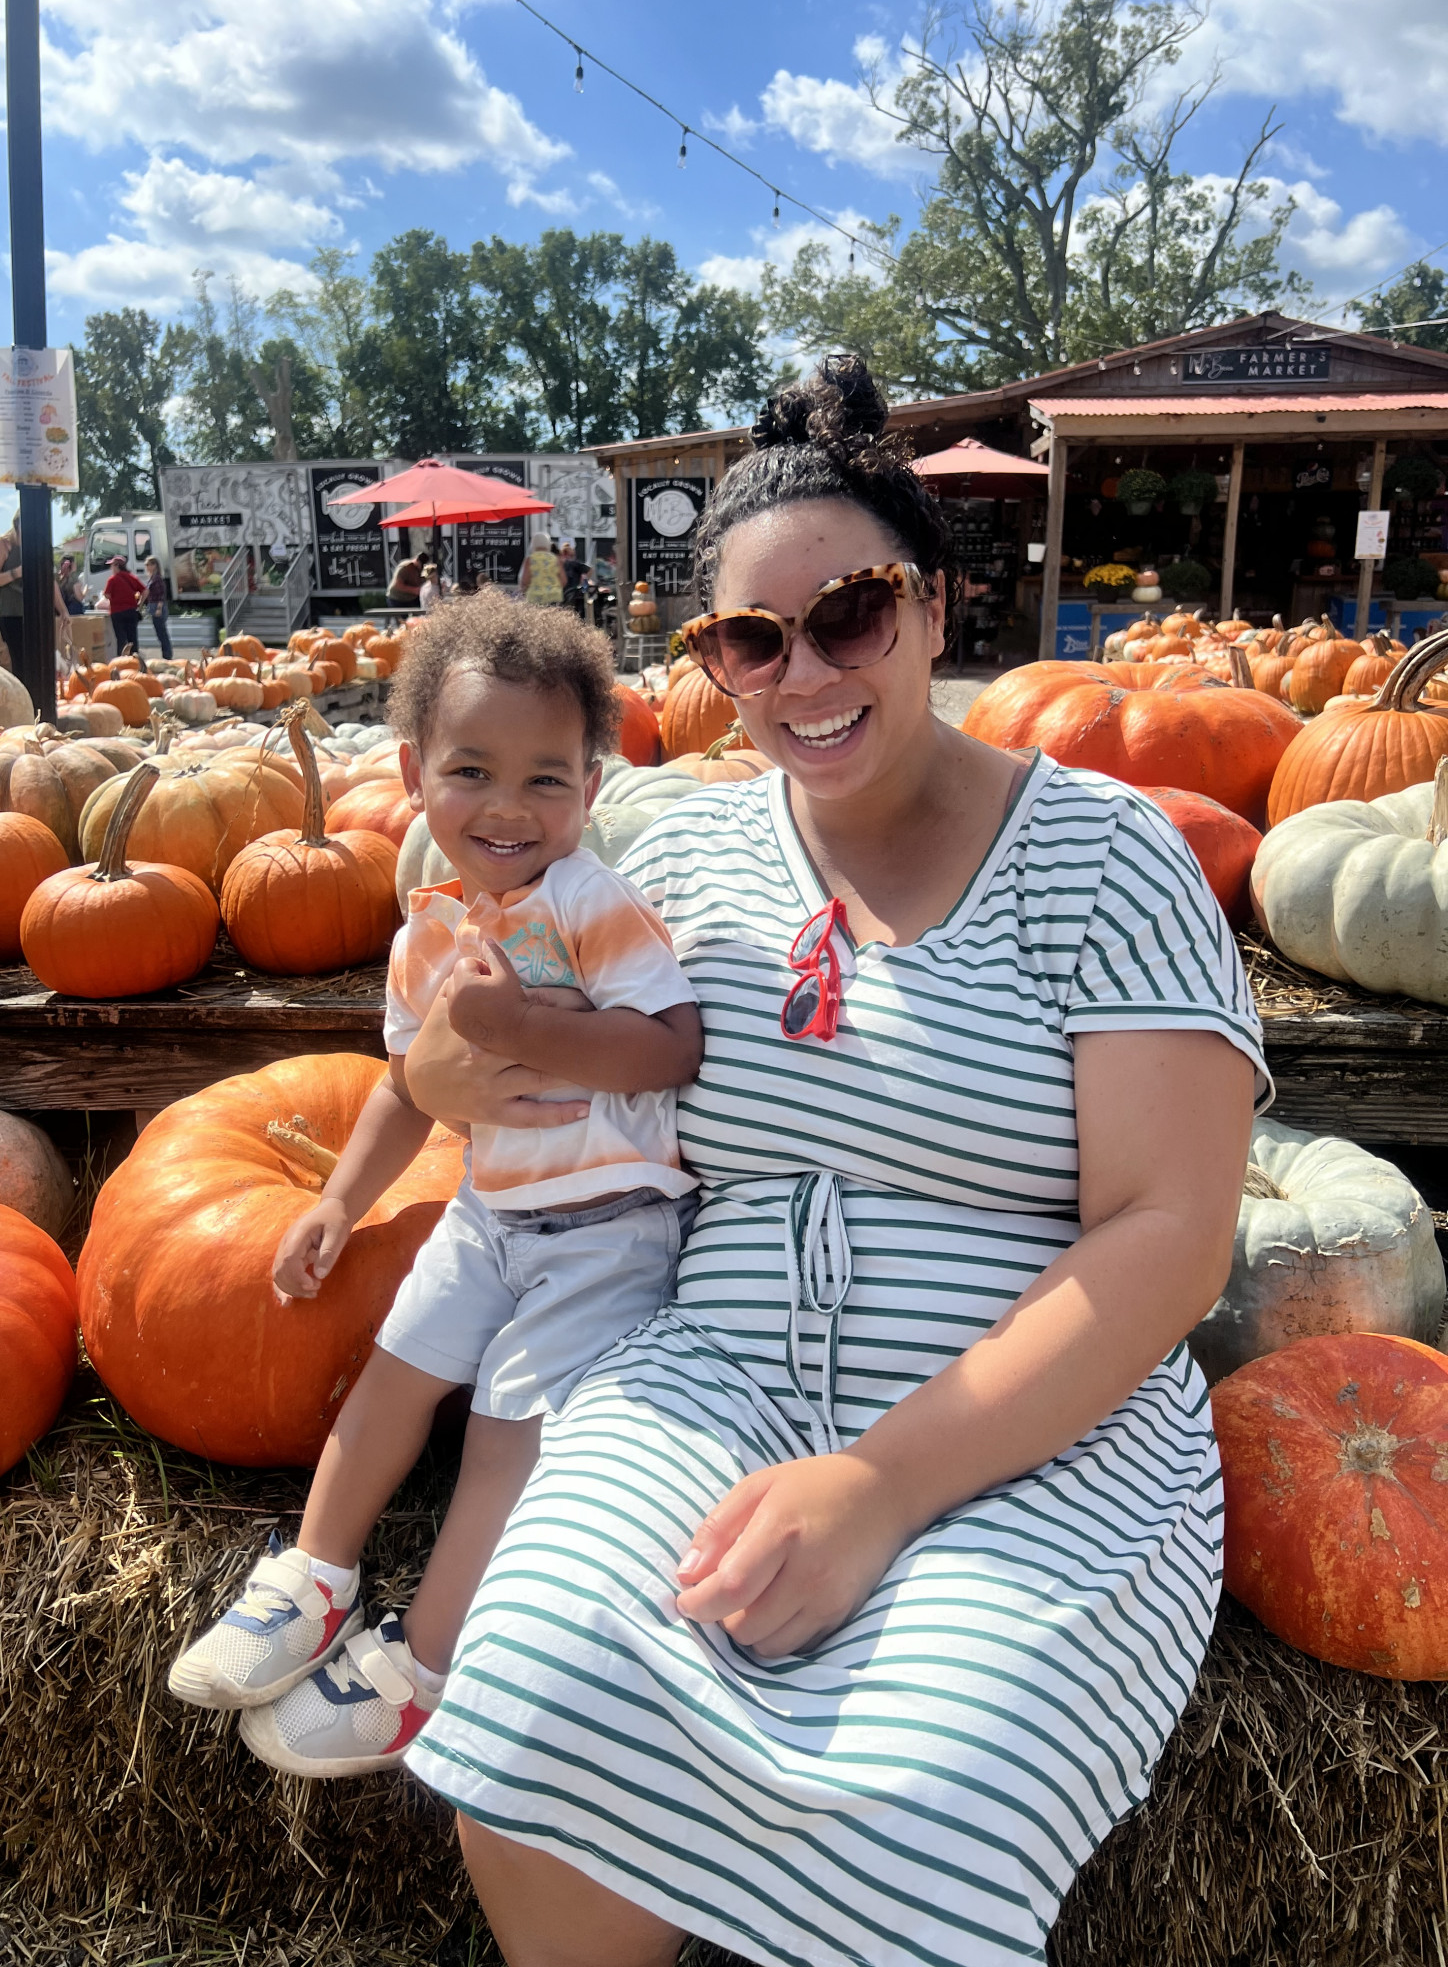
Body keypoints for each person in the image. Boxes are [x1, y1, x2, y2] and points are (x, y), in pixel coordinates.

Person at [401, 356, 1265, 1967]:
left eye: (851, 616)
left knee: (927, 1795)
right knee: (533, 1702)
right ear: (715, 666)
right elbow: (470, 955)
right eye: (751, 641)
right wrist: (440, 1065)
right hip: (708, 1373)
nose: (804, 673)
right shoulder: (668, 848)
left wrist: (881, 1485)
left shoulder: (1110, 856)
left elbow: (1169, 1232)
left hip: (1032, 1427)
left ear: (933, 609)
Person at [166, 596, 703, 1779]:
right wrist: (338, 1201)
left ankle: (429, 1662)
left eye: (545, 779)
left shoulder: (591, 903)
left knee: (505, 1433)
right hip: (486, 1213)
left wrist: (528, 1028)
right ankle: (314, 1576)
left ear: (591, 789)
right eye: (472, 771)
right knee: (392, 1378)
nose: (509, 807)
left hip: (608, 1230)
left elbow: (671, 1046)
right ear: (414, 774)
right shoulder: (424, 933)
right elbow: (408, 1088)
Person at [0, 512, 26, 677]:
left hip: (36, 614)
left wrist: (63, 610)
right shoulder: (2, 544)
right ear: (17, 525)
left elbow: (50, 582)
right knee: (20, 664)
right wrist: (16, 573)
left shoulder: (37, 545)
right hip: (12, 614)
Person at [103, 554, 145, 656]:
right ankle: (135, 658)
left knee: (121, 638)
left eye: (112, 565)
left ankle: (122, 659)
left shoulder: (112, 579)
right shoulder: (132, 577)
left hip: (117, 612)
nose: (111, 568)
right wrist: (140, 604)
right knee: (133, 637)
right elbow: (145, 591)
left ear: (117, 565)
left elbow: (107, 595)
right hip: (131, 611)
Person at [518, 529, 565, 607]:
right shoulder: (556, 559)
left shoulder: (530, 559)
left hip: (535, 597)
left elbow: (525, 580)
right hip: (554, 596)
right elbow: (563, 580)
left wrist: (524, 590)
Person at [141, 556, 172, 658]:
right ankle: (166, 654)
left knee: (162, 632)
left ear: (154, 565)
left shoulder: (157, 579)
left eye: (148, 565)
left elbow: (161, 595)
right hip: (153, 606)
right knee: (160, 632)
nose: (146, 567)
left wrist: (159, 608)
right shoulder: (152, 578)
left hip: (158, 607)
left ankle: (167, 655)